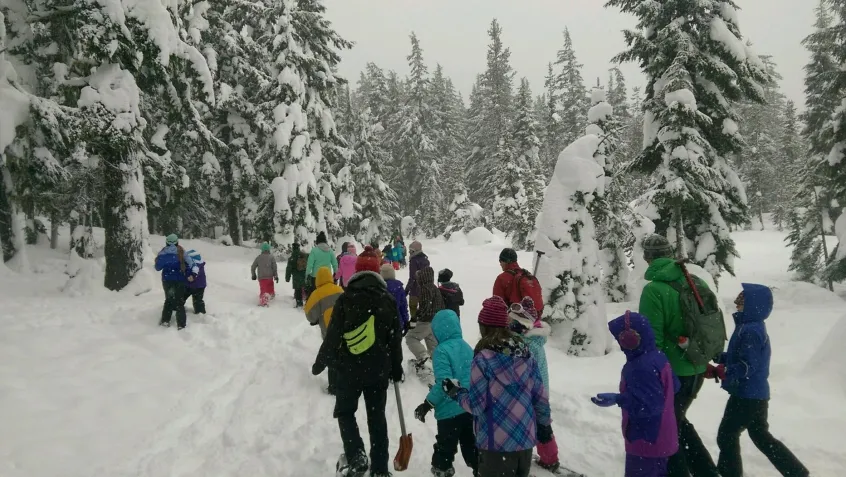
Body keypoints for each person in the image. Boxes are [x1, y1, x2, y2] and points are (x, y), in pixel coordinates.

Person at [312, 245, 404, 477]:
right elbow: (394, 340)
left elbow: (333, 336)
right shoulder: (388, 301)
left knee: (345, 412)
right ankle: (380, 469)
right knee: (377, 419)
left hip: (348, 370)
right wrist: (396, 367)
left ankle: (356, 456)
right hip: (378, 371)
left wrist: (320, 362)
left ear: (356, 272)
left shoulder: (345, 300)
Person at [637, 234, 718, 477]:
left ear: (647, 258)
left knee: (665, 432)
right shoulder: (693, 282)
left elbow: (651, 342)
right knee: (677, 423)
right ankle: (707, 472)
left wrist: (649, 377)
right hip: (696, 367)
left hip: (671, 374)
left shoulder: (654, 290)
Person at [442, 296, 551, 477]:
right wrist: (545, 426)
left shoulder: (483, 360)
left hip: (495, 445)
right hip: (524, 441)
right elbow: (540, 397)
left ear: (483, 326)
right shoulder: (526, 354)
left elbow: (476, 406)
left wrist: (456, 392)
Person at [709, 284, 809, 477]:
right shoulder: (748, 327)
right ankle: (797, 472)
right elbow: (741, 358)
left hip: (746, 395)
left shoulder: (751, 331)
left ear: (753, 306)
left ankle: (729, 473)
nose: (737, 305)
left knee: (726, 436)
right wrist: (720, 357)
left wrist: (725, 371)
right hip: (756, 394)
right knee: (761, 437)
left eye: (741, 302)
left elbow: (748, 365)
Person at [591, 311, 680, 477]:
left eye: (621, 339)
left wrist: (619, 399)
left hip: (646, 440)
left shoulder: (639, 367)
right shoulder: (657, 356)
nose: (620, 343)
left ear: (631, 339)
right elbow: (674, 386)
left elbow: (649, 406)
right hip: (663, 436)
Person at [413, 309, 478, 477]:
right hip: (469, 408)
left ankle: (442, 470)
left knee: (445, 447)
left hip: (449, 413)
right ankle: (480, 469)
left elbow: (445, 384)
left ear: (437, 331)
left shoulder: (441, 351)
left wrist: (427, 404)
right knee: (471, 445)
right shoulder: (466, 346)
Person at [508, 297, 559, 472]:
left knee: (532, 427)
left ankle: (534, 457)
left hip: (531, 393)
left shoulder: (527, 346)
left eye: (511, 322)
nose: (507, 324)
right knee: (543, 426)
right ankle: (550, 458)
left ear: (520, 326)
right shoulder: (534, 341)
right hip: (539, 392)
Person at [305, 266, 345, 395]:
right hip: (344, 328)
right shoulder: (339, 289)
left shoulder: (317, 294)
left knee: (332, 357)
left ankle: (333, 387)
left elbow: (310, 315)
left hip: (329, 332)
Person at [406, 266, 445, 374]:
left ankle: (423, 357)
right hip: (435, 320)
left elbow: (424, 307)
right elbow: (441, 305)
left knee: (411, 337)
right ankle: (437, 363)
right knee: (431, 341)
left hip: (426, 320)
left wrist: (415, 318)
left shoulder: (425, 289)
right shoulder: (434, 287)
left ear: (422, 278)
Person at [155, 234, 197, 330]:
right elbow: (191, 264)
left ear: (167, 242)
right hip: (180, 280)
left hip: (167, 280)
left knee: (168, 300)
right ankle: (181, 325)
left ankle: (165, 321)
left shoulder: (162, 253)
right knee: (179, 302)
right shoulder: (181, 251)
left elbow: (157, 268)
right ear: (177, 242)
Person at [492, 248, 544, 314]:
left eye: (501, 261)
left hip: (513, 319)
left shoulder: (502, 278)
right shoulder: (526, 274)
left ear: (506, 261)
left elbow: (497, 304)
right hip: (533, 318)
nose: (500, 264)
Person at [306, 232, 339, 298]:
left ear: (317, 241)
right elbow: (335, 264)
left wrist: (307, 275)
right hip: (327, 277)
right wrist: (336, 275)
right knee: (326, 295)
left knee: (315, 294)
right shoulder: (330, 251)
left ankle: (316, 306)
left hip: (316, 276)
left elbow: (310, 264)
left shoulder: (314, 251)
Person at [381, 263, 410, 335]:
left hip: (381, 323)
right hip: (396, 321)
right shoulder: (398, 287)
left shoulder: (378, 287)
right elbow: (403, 306)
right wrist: (406, 321)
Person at [405, 241, 430, 319]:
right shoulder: (425, 259)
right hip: (425, 289)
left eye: (411, 250)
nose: (409, 252)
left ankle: (414, 324)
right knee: (423, 310)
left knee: (413, 309)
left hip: (415, 290)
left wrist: (406, 291)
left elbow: (412, 277)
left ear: (415, 250)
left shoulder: (414, 260)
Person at [251, 242, 278, 306]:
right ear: (269, 249)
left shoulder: (259, 258)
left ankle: (263, 301)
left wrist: (253, 274)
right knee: (270, 288)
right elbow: (274, 267)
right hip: (269, 277)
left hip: (262, 277)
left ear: (262, 250)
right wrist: (276, 276)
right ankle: (271, 298)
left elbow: (253, 267)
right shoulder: (271, 257)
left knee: (263, 289)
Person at [183, 249, 207, 314]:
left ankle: (200, 313)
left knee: (196, 300)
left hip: (195, 286)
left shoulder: (196, 265)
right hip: (194, 286)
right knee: (196, 300)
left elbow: (193, 274)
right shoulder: (197, 264)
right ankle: (200, 312)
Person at [285, 243, 307, 307]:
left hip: (296, 276)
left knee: (298, 290)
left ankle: (299, 303)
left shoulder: (292, 258)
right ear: (298, 248)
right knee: (305, 288)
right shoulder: (304, 255)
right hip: (304, 275)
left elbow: (288, 269)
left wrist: (287, 278)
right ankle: (307, 302)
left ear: (293, 248)